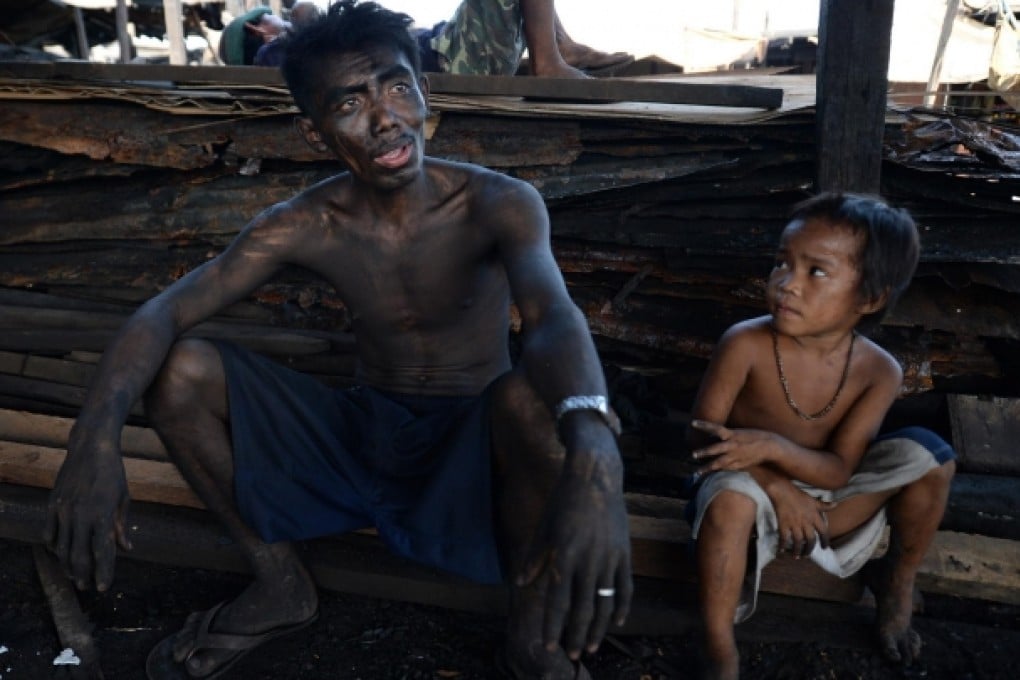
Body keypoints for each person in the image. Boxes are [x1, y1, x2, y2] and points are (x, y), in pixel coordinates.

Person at [44, 2, 632, 679]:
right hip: (367, 437)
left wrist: (597, 455)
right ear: (314, 130)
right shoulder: (305, 222)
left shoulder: (498, 203)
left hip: (474, 452)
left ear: (426, 94)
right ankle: (280, 583)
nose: (384, 117)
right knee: (182, 371)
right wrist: (93, 440)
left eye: (397, 87)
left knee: (533, 404)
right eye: (349, 103)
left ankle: (533, 637)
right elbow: (163, 314)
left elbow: (553, 316)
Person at [685, 193, 956, 680]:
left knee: (932, 457)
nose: (787, 283)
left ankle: (898, 578)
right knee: (730, 500)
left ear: (869, 299)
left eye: (817, 271)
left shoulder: (879, 371)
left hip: (828, 504)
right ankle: (718, 645)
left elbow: (838, 470)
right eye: (782, 263)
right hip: (744, 484)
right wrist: (775, 483)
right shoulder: (744, 343)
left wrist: (774, 447)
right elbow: (704, 440)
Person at [249, 0, 633, 76]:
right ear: (258, 30)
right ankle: (549, 62)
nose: (282, 13)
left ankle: (558, 47)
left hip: (449, 46)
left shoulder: (327, 39)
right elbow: (303, 12)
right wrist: (290, 22)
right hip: (455, 59)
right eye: (271, 15)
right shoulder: (274, 53)